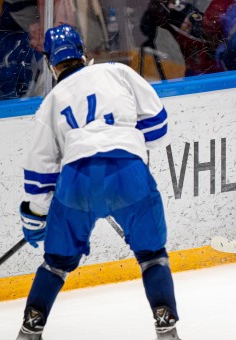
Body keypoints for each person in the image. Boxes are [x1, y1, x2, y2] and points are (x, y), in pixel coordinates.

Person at [16, 24, 181, 339]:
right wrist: (125, 140)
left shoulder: (51, 102)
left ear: (51, 64)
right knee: (152, 255)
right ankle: (166, 325)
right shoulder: (117, 72)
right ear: (83, 53)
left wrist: (36, 217)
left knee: (56, 264)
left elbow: (39, 175)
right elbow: (158, 129)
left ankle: (30, 328)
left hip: (77, 181)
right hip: (129, 172)